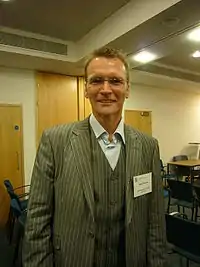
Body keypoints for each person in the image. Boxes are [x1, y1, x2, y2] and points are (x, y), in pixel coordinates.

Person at [23, 47, 167, 267]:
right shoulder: (54, 141)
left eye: (116, 81)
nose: (106, 89)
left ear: (127, 89)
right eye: (97, 80)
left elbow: (155, 220)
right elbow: (37, 220)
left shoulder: (148, 146)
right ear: (86, 89)